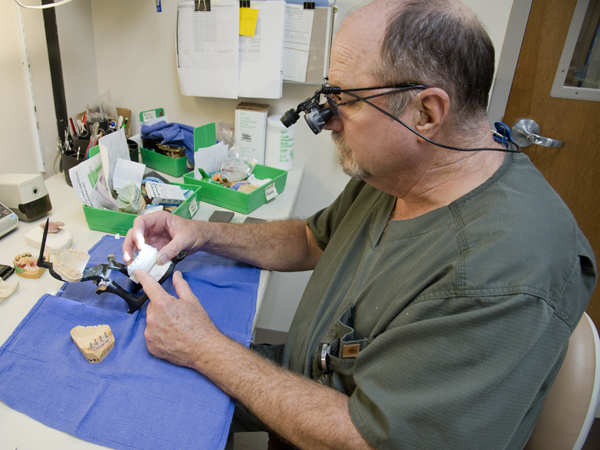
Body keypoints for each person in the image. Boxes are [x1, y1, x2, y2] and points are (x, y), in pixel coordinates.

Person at [123, 0, 597, 448]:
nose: (326, 121)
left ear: (426, 112)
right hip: (310, 380)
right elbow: (313, 239)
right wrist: (205, 234)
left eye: (345, 100)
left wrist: (206, 349)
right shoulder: (404, 170)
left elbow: (371, 439)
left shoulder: (504, 275)